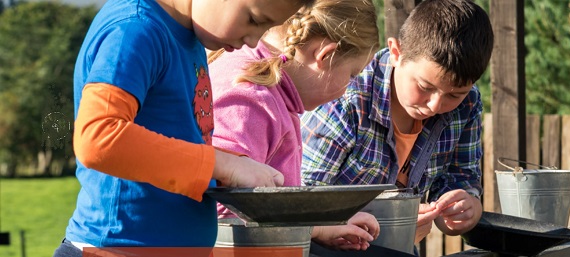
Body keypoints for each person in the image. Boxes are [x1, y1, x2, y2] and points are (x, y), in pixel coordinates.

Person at [54, 0, 314, 256]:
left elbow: (182, 145)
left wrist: (240, 165)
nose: (254, 41)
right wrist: (224, 164)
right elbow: (98, 139)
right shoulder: (135, 30)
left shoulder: (189, 37)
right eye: (254, 20)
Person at [300, 0, 494, 245]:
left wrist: (464, 208)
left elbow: (460, 177)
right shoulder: (347, 98)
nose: (435, 105)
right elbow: (300, 201)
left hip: (397, 247)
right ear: (396, 53)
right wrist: (384, 221)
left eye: (454, 95)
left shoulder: (468, 104)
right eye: (425, 87)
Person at [207, 0, 381, 250]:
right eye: (352, 74)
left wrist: (323, 219)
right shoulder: (252, 99)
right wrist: (317, 227)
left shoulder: (274, 92)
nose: (348, 89)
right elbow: (226, 210)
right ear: (325, 56)